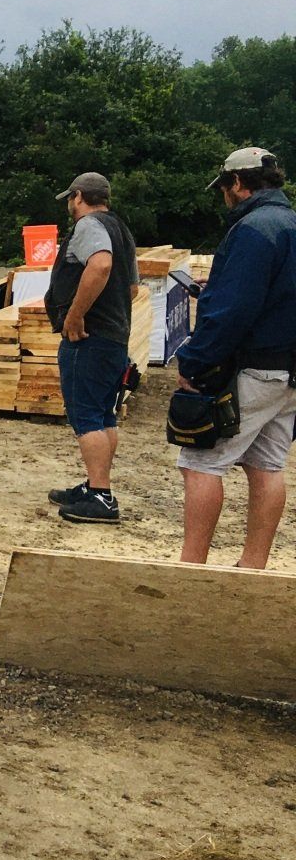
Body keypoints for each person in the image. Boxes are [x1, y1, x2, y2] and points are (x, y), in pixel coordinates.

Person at [173, 146, 296, 567]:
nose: (224, 196)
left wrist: (193, 362)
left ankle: (191, 569)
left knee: (201, 463)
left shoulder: (252, 229)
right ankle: (252, 568)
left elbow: (235, 311)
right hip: (288, 370)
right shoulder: (290, 222)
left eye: (225, 187)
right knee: (267, 464)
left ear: (237, 184)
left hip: (251, 366)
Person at [44, 171, 139, 524]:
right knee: (103, 415)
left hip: (88, 338)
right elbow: (131, 289)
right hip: (114, 337)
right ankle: (96, 485)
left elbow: (100, 265)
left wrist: (75, 315)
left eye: (70, 199)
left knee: (85, 415)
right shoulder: (121, 229)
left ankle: (100, 496)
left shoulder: (89, 226)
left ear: (79, 196)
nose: (70, 205)